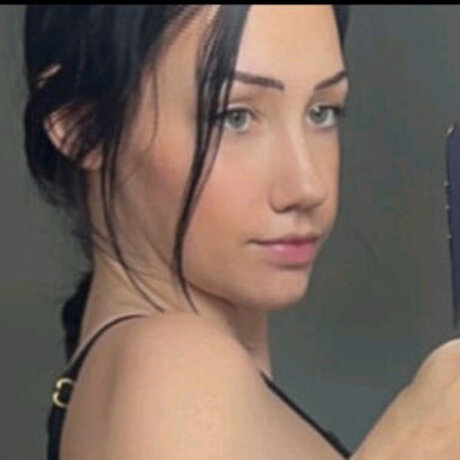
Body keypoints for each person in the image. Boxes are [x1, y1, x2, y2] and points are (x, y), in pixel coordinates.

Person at [23, 5, 460, 459]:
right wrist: (414, 446)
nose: (307, 186)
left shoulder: (132, 378)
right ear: (81, 128)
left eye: (322, 112)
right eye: (234, 117)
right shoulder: (173, 371)